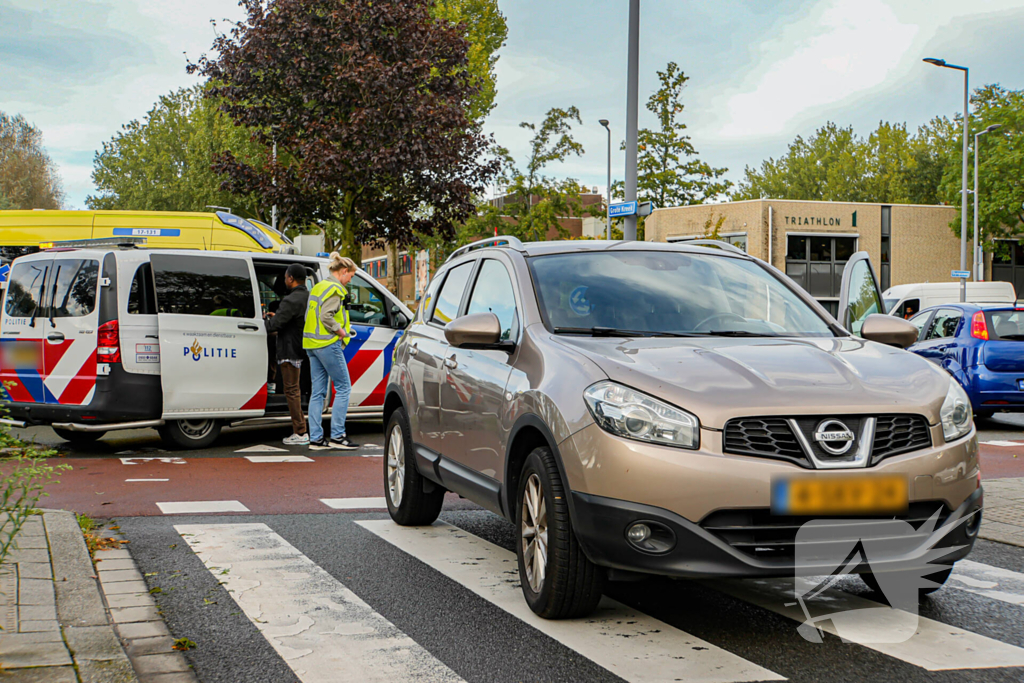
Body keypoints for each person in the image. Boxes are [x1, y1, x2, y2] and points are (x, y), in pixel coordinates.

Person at [302, 253, 360, 451]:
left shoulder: (318, 287)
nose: (350, 280)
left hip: (311, 344)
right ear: (343, 271)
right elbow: (326, 316)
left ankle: (316, 439)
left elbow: (311, 315)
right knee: (343, 387)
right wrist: (340, 331)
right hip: (327, 343)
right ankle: (337, 435)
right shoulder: (335, 289)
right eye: (351, 276)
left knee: (317, 392)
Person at [264, 264, 310, 445]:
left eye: (285, 277)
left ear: (291, 278)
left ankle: (300, 432)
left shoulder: (290, 300)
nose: (284, 281)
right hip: (304, 347)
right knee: (301, 390)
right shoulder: (309, 297)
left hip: (289, 349)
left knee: (291, 390)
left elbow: (274, 325)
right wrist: (279, 315)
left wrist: (269, 320)